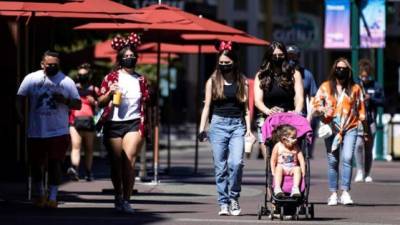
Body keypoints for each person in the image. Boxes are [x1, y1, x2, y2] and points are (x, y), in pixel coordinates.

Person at [16, 50, 81, 208]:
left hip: (58, 131)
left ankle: (52, 197)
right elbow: (19, 97)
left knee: (54, 164)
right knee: (36, 165)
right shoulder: (31, 79)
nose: (52, 67)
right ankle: (40, 194)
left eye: (55, 65)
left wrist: (65, 100)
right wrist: (18, 114)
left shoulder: (67, 81)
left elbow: (78, 104)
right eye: (49, 65)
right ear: (42, 64)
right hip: (36, 130)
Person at [97, 33, 149, 214]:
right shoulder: (110, 78)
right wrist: (110, 94)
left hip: (134, 122)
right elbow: (100, 102)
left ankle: (127, 200)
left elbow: (147, 103)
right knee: (116, 163)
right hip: (113, 123)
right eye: (126, 56)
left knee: (129, 161)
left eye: (132, 56)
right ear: (120, 59)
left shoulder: (141, 80)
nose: (130, 58)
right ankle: (118, 194)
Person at [198, 41, 251, 216]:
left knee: (236, 163)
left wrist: (249, 130)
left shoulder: (242, 81)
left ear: (234, 63)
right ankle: (223, 203)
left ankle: (234, 198)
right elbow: (206, 106)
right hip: (218, 124)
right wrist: (201, 128)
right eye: (221, 63)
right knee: (220, 167)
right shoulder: (212, 81)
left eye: (227, 63)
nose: (224, 66)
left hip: (237, 125)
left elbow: (246, 109)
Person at [311, 57, 366, 206]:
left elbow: (361, 108)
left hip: (350, 128)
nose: (341, 70)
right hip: (331, 128)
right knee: (333, 161)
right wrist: (322, 109)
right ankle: (333, 193)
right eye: (338, 68)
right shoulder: (325, 87)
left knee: (348, 158)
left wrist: (364, 127)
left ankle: (345, 192)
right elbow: (315, 105)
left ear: (348, 71)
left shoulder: (355, 88)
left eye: (344, 68)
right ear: (334, 70)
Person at [254, 41, 304, 159]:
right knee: (269, 158)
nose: (277, 58)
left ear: (285, 56)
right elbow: (257, 100)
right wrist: (268, 111)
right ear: (269, 56)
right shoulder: (261, 76)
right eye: (274, 55)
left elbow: (299, 97)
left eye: (280, 55)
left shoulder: (294, 74)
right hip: (267, 117)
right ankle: (272, 173)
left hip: (288, 117)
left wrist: (297, 111)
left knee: (289, 155)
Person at [354, 59, 384, 183]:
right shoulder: (355, 85)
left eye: (366, 76)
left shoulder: (376, 86)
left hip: (371, 120)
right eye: (362, 75)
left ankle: (367, 173)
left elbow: (382, 101)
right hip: (358, 121)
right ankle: (359, 171)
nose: (364, 78)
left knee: (368, 147)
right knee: (358, 145)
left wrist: (370, 99)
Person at [67, 63, 99, 181]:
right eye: (80, 74)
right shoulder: (72, 88)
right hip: (74, 121)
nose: (82, 76)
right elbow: (67, 102)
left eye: (84, 75)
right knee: (76, 146)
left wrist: (94, 102)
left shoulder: (94, 89)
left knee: (89, 148)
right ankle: (74, 169)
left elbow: (101, 104)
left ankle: (88, 172)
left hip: (89, 122)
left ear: (89, 75)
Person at [287, 45, 318, 158]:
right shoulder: (280, 74)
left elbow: (313, 97)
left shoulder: (307, 75)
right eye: (289, 56)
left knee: (302, 151)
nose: (292, 59)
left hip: (302, 116)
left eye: (294, 56)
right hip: (284, 115)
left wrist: (310, 116)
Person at [270, 124, 306, 197]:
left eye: (296, 137)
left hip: (292, 167)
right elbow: (273, 160)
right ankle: (277, 188)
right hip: (282, 167)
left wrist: (303, 171)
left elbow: (301, 159)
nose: (296, 139)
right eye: (293, 137)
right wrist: (273, 171)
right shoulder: (278, 146)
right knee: (278, 168)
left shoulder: (296, 147)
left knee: (297, 168)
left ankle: (295, 188)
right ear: (284, 139)